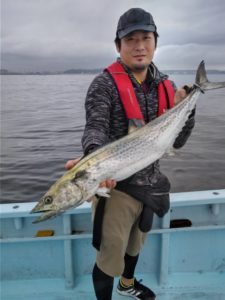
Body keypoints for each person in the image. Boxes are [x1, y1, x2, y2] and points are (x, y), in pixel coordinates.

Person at [66, 8, 195, 300]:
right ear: (118, 46)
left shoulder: (167, 86)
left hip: (150, 185)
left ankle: (127, 285)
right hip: (117, 187)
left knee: (136, 245)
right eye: (130, 39)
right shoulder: (104, 85)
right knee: (110, 255)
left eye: (145, 38)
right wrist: (93, 159)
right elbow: (95, 128)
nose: (139, 46)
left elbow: (179, 142)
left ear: (155, 41)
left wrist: (188, 110)